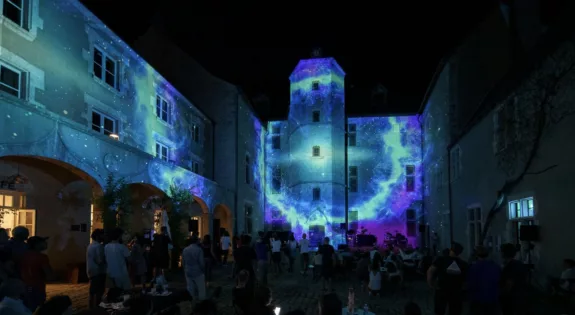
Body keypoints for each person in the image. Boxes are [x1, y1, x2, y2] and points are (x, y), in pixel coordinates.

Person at [427, 242, 468, 315]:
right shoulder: (463, 264)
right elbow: (465, 279)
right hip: (456, 291)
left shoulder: (441, 260)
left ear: (450, 250)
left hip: (442, 289)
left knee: (439, 311)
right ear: (459, 252)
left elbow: (430, 271)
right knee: (455, 311)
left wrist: (431, 283)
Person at [20, 236, 52, 312]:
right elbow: (49, 274)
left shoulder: (23, 255)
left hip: (24, 285)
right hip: (37, 286)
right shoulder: (42, 257)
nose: (46, 243)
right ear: (37, 245)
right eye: (43, 242)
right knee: (38, 308)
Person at [467, 245, 501, 315]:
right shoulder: (495, 267)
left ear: (476, 255)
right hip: (492, 299)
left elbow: (470, 284)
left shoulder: (473, 268)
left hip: (477, 300)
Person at [499, 243, 528, 315]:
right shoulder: (519, 264)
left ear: (504, 253)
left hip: (511, 300)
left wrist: (501, 294)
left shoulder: (510, 267)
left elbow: (509, 284)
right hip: (520, 298)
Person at [87, 229, 106, 309]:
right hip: (99, 271)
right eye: (103, 235)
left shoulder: (90, 245)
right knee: (99, 292)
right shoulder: (99, 246)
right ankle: (97, 309)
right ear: (98, 236)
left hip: (91, 271)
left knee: (92, 292)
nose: (104, 237)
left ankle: (91, 308)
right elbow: (100, 260)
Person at [182, 235, 206, 301]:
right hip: (198, 272)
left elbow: (183, 262)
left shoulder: (185, 249)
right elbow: (201, 263)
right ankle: (202, 303)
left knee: (190, 288)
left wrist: (185, 270)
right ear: (197, 241)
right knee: (201, 289)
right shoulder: (199, 250)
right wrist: (203, 271)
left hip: (188, 271)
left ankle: (191, 303)